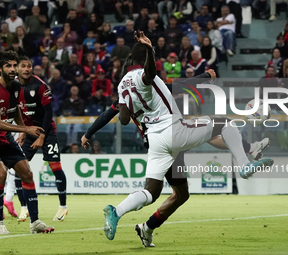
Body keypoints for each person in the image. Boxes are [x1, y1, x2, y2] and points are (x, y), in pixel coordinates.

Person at [101, 31, 273, 244]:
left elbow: (124, 119)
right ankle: (246, 162)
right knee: (225, 123)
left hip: (155, 141)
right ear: (145, 60)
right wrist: (150, 50)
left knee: (154, 192)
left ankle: (119, 213)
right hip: (173, 130)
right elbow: (150, 74)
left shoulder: (122, 86)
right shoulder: (145, 75)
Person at [0, 51, 54, 234]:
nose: (13, 69)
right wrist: (26, 129)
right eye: (9, 66)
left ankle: (35, 222)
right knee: (0, 174)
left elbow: (15, 112)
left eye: (15, 65)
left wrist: (22, 128)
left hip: (5, 137)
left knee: (27, 174)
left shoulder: (15, 86)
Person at [15, 56, 68, 221]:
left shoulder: (40, 86)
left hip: (47, 132)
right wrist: (23, 131)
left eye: (29, 66)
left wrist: (43, 136)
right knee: (19, 169)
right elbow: (18, 111)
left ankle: (63, 207)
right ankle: (24, 208)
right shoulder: (13, 87)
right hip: (30, 131)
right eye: (23, 66)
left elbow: (48, 113)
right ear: (17, 69)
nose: (26, 69)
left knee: (55, 168)